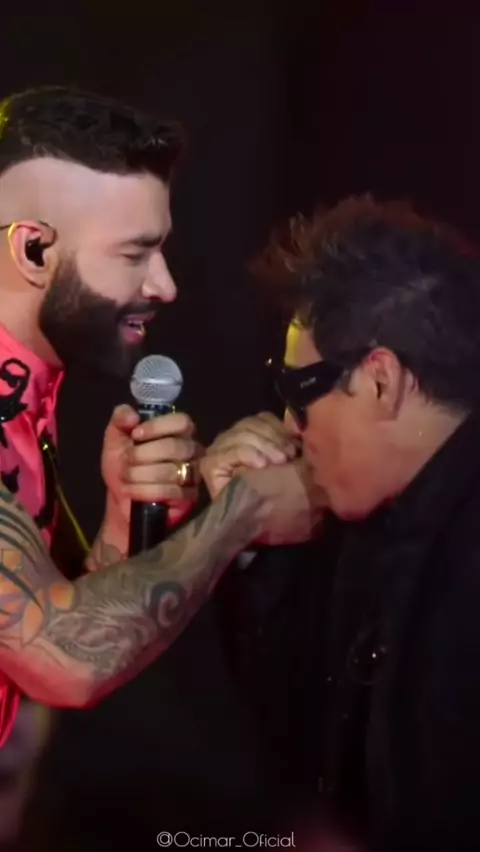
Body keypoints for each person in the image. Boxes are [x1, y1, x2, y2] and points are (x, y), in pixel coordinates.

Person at [0, 85, 300, 842]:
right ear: (33, 250)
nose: (164, 285)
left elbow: (52, 617)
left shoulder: (25, 398)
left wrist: (121, 520)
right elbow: (64, 661)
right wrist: (248, 510)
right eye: (135, 253)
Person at [201, 196, 480, 851]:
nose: (290, 424)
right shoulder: (376, 521)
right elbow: (304, 749)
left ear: (381, 381)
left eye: (300, 391)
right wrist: (257, 546)